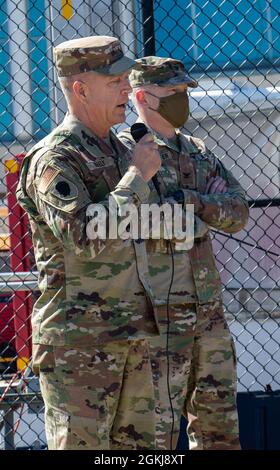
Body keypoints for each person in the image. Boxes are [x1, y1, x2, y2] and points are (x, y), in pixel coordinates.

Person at [16, 37, 163, 450]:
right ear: (80, 89)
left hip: (131, 333)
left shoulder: (122, 150)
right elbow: (82, 236)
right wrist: (137, 178)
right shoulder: (54, 158)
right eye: (115, 79)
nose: (126, 89)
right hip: (78, 345)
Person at [118, 56, 249, 450]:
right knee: (152, 433)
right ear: (142, 96)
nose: (181, 99)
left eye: (183, 91)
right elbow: (134, 220)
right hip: (156, 315)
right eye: (171, 92)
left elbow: (238, 210)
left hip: (207, 309)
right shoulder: (126, 153)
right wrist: (203, 207)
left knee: (218, 424)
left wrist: (190, 201)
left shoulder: (197, 150)